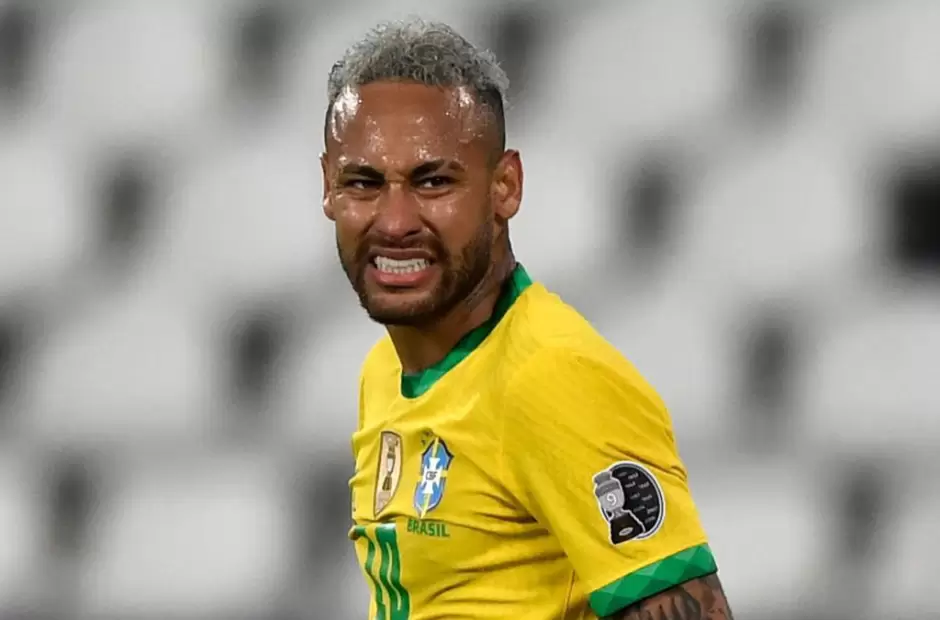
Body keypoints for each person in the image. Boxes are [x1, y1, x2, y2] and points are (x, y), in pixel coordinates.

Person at [322, 17, 734, 620]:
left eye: (433, 181)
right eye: (363, 182)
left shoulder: (554, 378)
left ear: (505, 187)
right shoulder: (385, 369)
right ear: (328, 189)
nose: (395, 221)